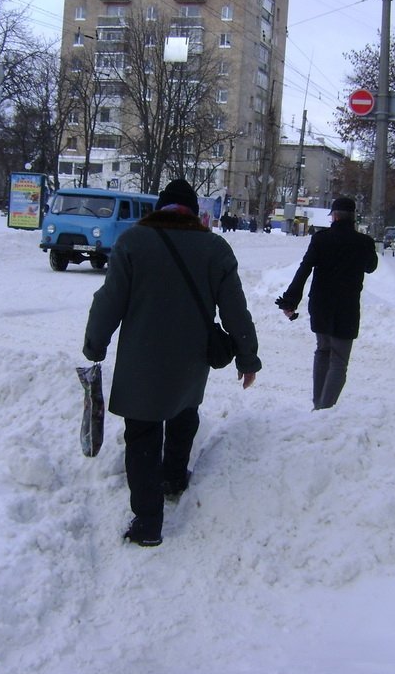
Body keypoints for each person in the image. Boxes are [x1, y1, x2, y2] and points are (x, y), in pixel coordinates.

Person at [83, 178, 261, 547]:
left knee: (143, 434)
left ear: (159, 208)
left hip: (141, 361)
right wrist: (248, 357)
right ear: (194, 212)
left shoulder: (133, 241)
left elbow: (108, 300)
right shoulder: (215, 248)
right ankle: (174, 478)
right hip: (190, 359)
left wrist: (95, 346)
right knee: (183, 414)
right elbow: (235, 310)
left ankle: (148, 523)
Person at [275, 197, 377, 410]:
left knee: (322, 351)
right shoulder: (364, 242)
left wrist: (291, 300)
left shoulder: (321, 240)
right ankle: (324, 408)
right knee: (339, 359)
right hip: (347, 308)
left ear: (336, 216)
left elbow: (305, 269)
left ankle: (317, 405)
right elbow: (371, 267)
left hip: (320, 305)